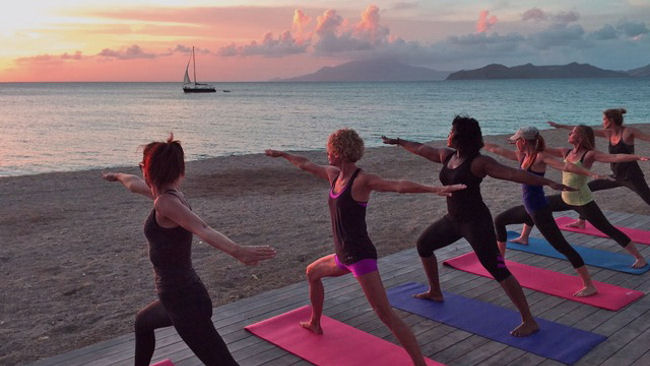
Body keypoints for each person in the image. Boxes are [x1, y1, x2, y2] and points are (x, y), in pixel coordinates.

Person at [266, 128, 466, 366]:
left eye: (330, 150)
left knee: (386, 315)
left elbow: (398, 185)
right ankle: (316, 323)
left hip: (360, 257)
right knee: (312, 273)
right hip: (342, 256)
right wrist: (282, 154)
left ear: (339, 152)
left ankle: (419, 364)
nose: (327, 154)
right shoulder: (333, 175)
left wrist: (435, 190)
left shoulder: (362, 180)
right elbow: (305, 164)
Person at [382, 116, 575, 337]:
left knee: (497, 269)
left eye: (452, 130)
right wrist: (399, 141)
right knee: (423, 245)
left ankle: (529, 320)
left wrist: (547, 182)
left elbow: (513, 174)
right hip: (453, 220)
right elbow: (422, 149)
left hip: (476, 223)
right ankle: (435, 291)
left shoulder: (479, 162)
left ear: (461, 136)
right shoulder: (448, 155)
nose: (448, 134)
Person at [103, 135, 276, 366]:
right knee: (142, 322)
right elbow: (134, 183)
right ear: (180, 171)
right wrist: (117, 176)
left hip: (185, 302)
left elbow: (202, 228)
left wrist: (238, 251)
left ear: (147, 169)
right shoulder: (165, 197)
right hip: (176, 298)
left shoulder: (165, 203)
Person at [484, 126, 606, 297]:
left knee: (562, 247)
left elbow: (566, 167)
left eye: (516, 141)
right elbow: (496, 149)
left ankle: (589, 285)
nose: (515, 144)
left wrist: (590, 173)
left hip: (540, 210)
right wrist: (477, 142)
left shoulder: (540, 157)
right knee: (499, 220)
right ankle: (500, 265)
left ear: (523, 141)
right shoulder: (522, 156)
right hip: (529, 208)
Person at [508, 125, 648, 268]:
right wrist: (524, 141)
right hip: (565, 198)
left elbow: (615, 157)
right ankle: (524, 237)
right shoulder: (565, 152)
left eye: (573, 132)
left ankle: (639, 257)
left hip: (582, 201)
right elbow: (537, 149)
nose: (569, 133)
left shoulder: (589, 155)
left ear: (580, 137)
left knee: (607, 228)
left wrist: (636, 157)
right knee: (536, 207)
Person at [548, 108, 650, 228]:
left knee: (648, 198)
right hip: (616, 176)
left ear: (611, 120)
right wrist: (560, 126)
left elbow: (647, 138)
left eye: (604, 119)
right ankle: (581, 221)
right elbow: (584, 132)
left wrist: (639, 157)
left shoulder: (628, 132)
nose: (602, 122)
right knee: (588, 188)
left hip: (632, 176)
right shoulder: (608, 134)